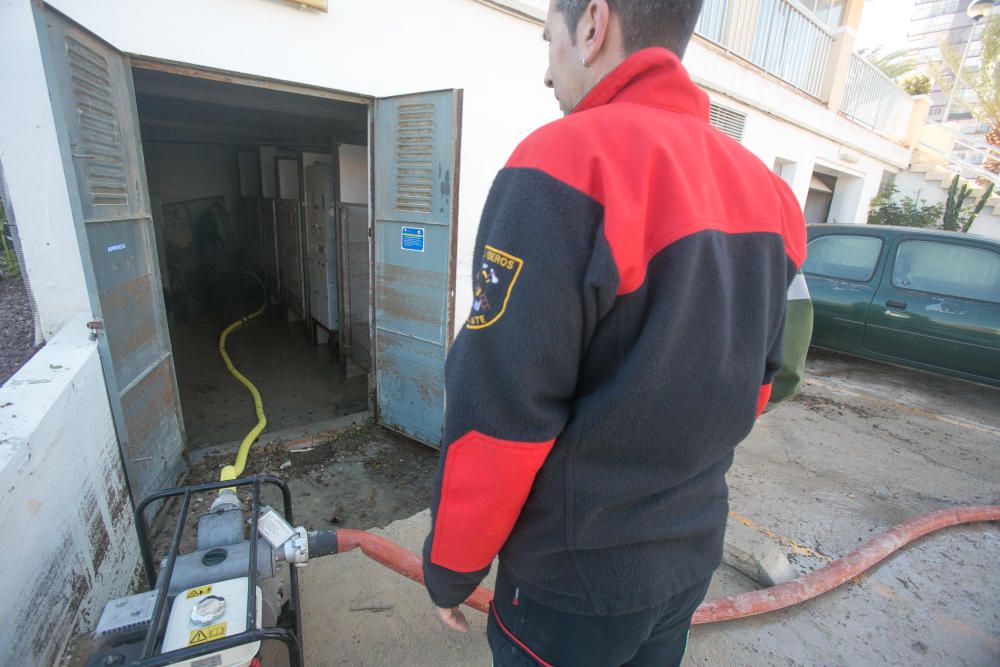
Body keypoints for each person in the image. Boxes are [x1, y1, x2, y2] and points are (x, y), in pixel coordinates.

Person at [421, 1, 808, 664]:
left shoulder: (561, 162)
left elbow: (499, 409)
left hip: (569, 587)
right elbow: (773, 376)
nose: (548, 73)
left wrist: (451, 566)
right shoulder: (771, 194)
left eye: (550, 42)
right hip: (686, 562)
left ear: (594, 24)